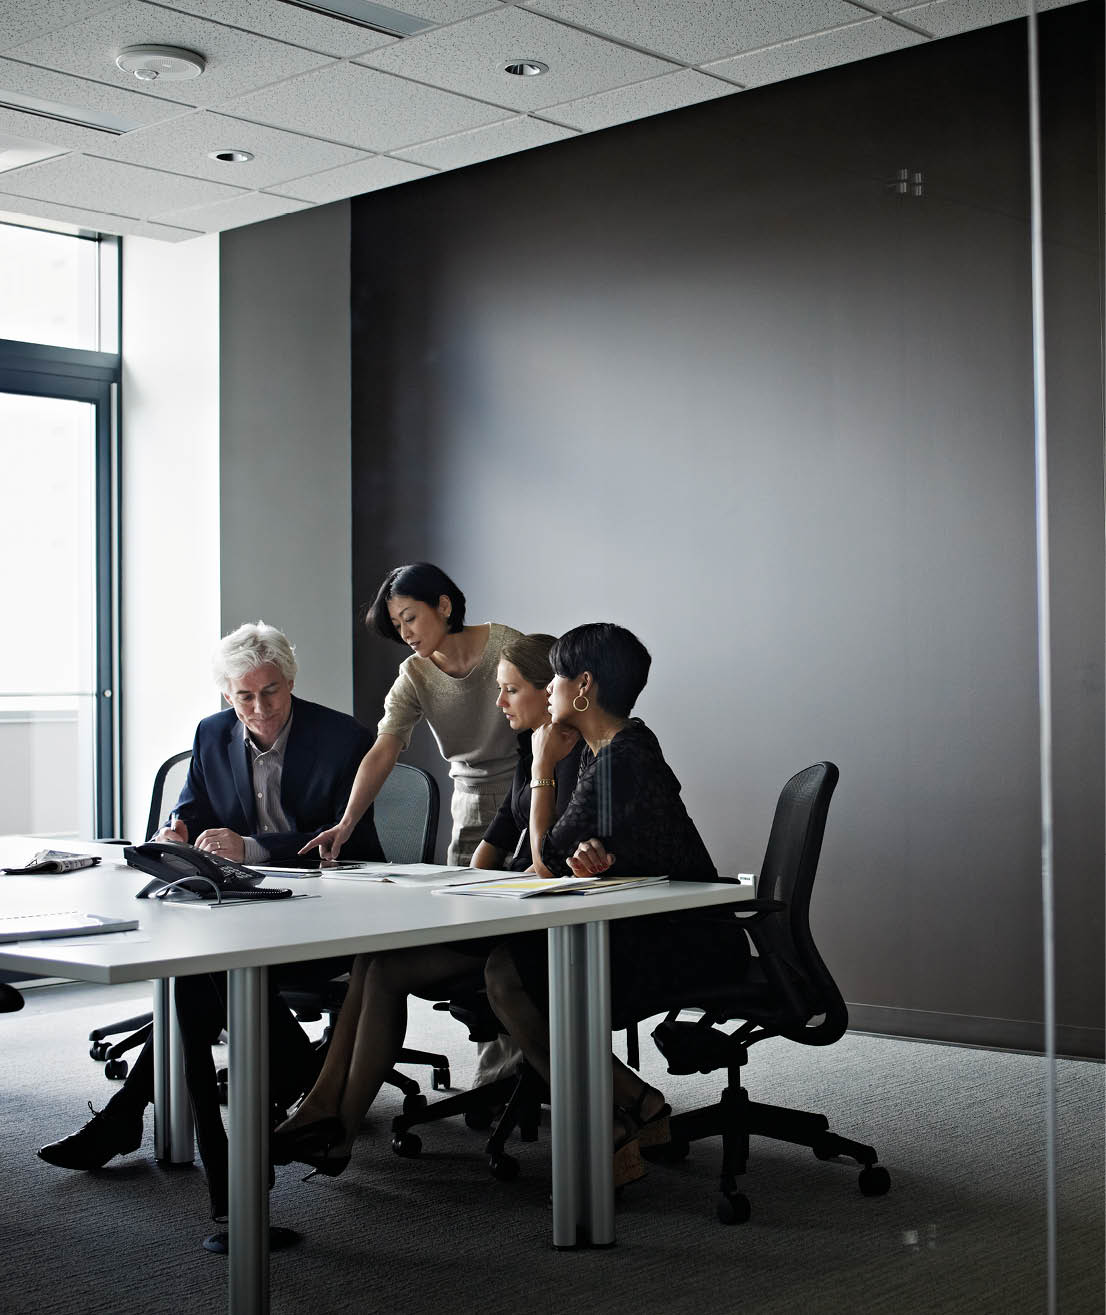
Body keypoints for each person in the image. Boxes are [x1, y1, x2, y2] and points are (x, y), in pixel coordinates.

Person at [37, 622, 384, 1218]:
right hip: (241, 909)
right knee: (199, 977)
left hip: (326, 913)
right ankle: (239, 1132)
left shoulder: (342, 737)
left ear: (291, 681)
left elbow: (352, 845)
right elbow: (191, 804)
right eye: (243, 696)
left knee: (196, 981)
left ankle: (144, 1124)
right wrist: (175, 828)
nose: (258, 708)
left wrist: (252, 847)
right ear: (226, 694)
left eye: (270, 692)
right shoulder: (213, 732)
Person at [270, 633, 578, 1175]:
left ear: (546, 689)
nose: (501, 702)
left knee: (385, 968)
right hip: (504, 914)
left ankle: (333, 1126)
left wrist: (544, 767)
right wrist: (456, 889)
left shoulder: (565, 757)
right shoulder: (528, 748)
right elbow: (499, 834)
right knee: (374, 959)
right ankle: (326, 1112)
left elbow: (543, 859)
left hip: (536, 933)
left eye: (510, 691)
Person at [482, 622, 750, 1185]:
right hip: (651, 925)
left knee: (513, 973)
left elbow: (545, 862)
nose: (549, 688)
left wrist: (540, 768)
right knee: (512, 967)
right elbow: (572, 852)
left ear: (583, 687)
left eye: (555, 676)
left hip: (685, 940)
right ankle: (633, 1105)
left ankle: (609, 1121)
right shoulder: (616, 750)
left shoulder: (622, 754)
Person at [301, 562, 522, 867]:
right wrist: (346, 822)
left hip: (527, 794)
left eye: (410, 618)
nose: (405, 633)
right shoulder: (415, 674)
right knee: (468, 905)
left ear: (444, 606)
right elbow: (383, 750)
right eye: (397, 625)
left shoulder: (509, 647)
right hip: (469, 805)